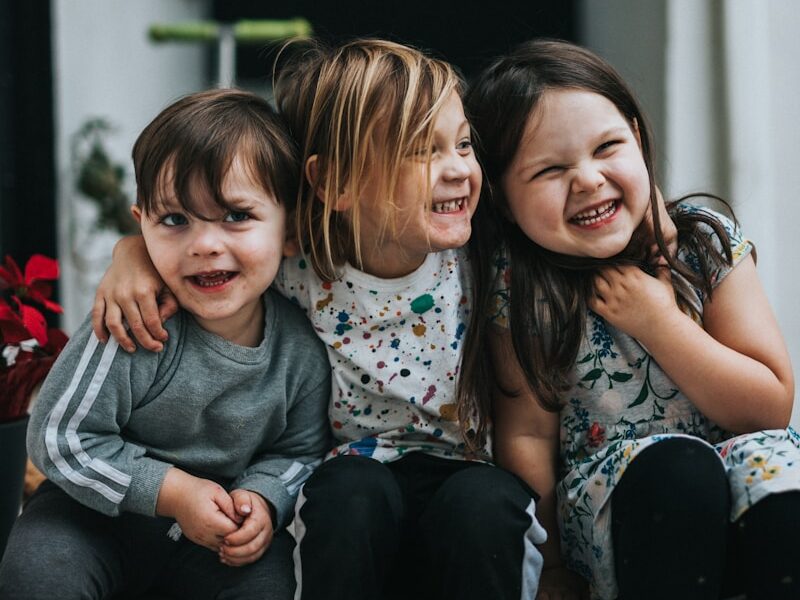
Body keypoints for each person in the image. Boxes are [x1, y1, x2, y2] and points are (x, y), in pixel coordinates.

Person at [85, 39, 547, 600]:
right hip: (353, 475)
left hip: (466, 473)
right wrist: (132, 254)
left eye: (464, 144)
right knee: (348, 495)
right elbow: (218, 250)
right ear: (335, 183)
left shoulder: (486, 260)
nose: (458, 169)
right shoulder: (303, 266)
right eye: (421, 150)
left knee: (487, 504)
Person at [460, 38, 800, 600]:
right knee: (679, 472)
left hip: (738, 465)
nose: (588, 179)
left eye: (608, 147)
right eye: (550, 170)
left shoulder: (704, 244)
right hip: (617, 495)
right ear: (502, 201)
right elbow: (526, 434)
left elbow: (768, 409)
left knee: (785, 488)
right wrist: (549, 565)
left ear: (638, 141)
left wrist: (661, 323)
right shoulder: (521, 287)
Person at [0, 88, 331, 600]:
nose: (205, 244)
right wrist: (173, 493)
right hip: (92, 519)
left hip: (214, 536)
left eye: (236, 216)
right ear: (142, 227)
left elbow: (301, 451)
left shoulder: (300, 352)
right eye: (175, 220)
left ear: (290, 231)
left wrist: (263, 498)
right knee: (39, 567)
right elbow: (59, 437)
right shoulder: (133, 322)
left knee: (269, 581)